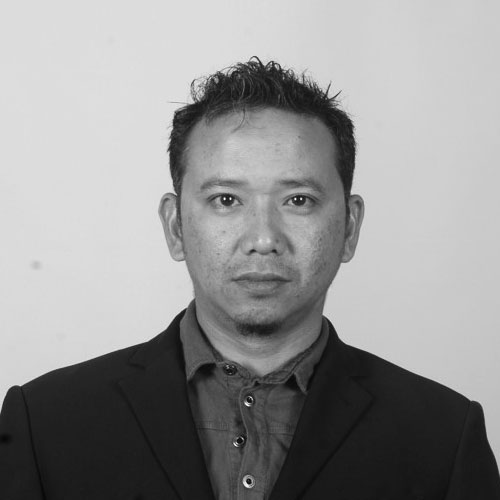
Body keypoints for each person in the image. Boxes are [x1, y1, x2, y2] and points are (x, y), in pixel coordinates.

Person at [1, 58, 499, 500]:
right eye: (226, 200)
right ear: (175, 227)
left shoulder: (444, 437)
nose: (263, 238)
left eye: (298, 200)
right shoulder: (44, 423)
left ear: (349, 228)